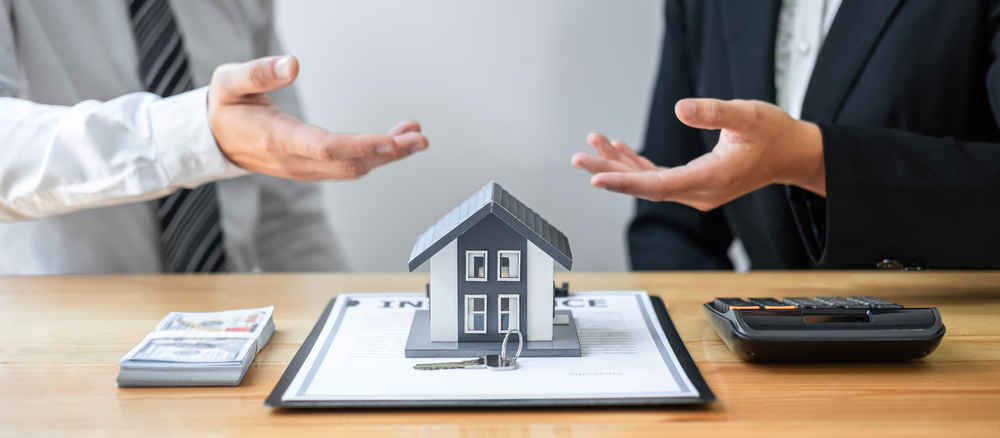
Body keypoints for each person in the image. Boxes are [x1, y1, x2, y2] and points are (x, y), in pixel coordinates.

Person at [0, 0, 427, 274]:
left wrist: (347, 331)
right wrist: (195, 136)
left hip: (230, 335)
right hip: (60, 353)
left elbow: (287, 216)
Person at [572, 0, 1000, 270]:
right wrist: (714, 346)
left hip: (950, 359)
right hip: (761, 381)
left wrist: (813, 160)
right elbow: (671, 229)